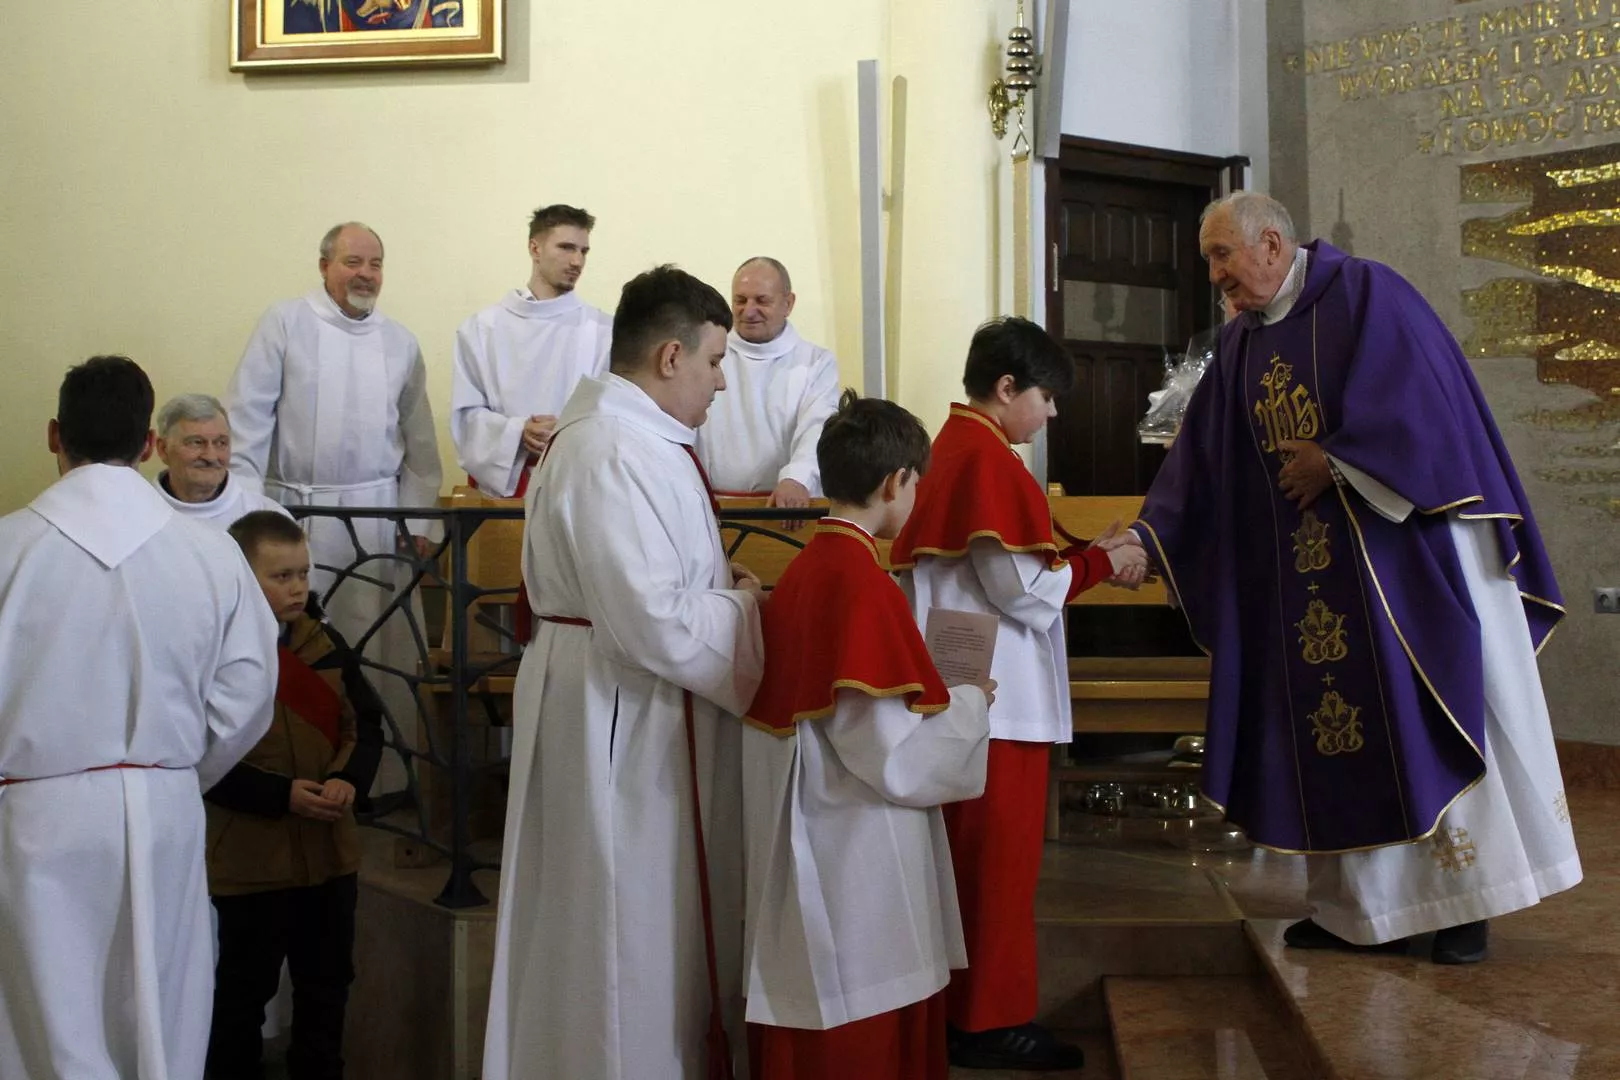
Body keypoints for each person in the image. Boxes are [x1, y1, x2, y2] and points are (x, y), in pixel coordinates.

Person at [1133, 191, 1580, 964]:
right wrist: (1146, 536)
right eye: (1210, 260)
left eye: (1221, 256)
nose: (1215, 277)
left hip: (1405, 566)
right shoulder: (1241, 343)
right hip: (1310, 583)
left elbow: (1426, 410)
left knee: (1429, 712)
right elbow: (1200, 463)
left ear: (1271, 244)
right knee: (1336, 733)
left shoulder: (1368, 294)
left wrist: (1336, 461)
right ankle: (1359, 914)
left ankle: (1468, 904)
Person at [482, 265, 766, 1080]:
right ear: (671, 356)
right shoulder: (610, 447)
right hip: (616, 709)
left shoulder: (635, 437)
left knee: (636, 920)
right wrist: (745, 611)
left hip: (628, 699)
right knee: (618, 927)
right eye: (714, 361)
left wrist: (718, 587)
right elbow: (649, 616)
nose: (721, 382)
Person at [0, 356, 278, 1079]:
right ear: (150, 445)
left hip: (33, 817)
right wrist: (175, 769)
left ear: (54, 435)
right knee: (161, 1010)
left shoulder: (9, 549)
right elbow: (248, 693)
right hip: (164, 807)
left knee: (47, 1023)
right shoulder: (211, 554)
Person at [889, 317, 1147, 1072]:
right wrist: (1103, 565)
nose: (1052, 412)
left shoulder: (961, 447)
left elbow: (1015, 565)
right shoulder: (985, 459)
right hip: (996, 706)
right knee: (995, 874)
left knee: (976, 868)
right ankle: (987, 1023)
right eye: (1046, 396)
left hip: (973, 695)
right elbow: (1022, 591)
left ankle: (964, 1013)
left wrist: (1088, 553)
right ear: (1007, 389)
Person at [742, 391, 993, 1080]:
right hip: (853, 842)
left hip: (815, 820)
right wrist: (972, 705)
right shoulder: (862, 583)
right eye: (916, 484)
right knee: (861, 1008)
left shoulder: (810, 566)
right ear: (895, 481)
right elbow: (894, 759)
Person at [225, 221, 443, 794]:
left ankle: (378, 783)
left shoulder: (400, 343)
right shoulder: (284, 324)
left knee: (375, 655)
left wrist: (417, 519)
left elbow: (421, 446)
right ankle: (290, 778)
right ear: (324, 266)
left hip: (376, 520)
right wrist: (249, 522)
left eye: (375, 263)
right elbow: (247, 424)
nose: (365, 274)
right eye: (352, 262)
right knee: (299, 648)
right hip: (296, 516)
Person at [204, 511, 384, 1080]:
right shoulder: (212, 647)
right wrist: (281, 795)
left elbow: (366, 723)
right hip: (249, 859)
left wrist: (348, 778)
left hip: (330, 854)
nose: (298, 588)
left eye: (303, 573)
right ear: (241, 575)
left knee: (326, 985)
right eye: (280, 576)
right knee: (241, 993)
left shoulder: (324, 641)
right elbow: (203, 755)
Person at [451, 204, 612, 497]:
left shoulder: (602, 331)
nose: (577, 261)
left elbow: (613, 415)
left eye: (583, 251)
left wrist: (566, 432)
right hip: (502, 495)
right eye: (566, 247)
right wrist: (518, 433)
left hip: (576, 489)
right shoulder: (481, 329)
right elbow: (466, 418)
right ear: (535, 248)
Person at [693, 257, 841, 507]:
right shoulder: (708, 355)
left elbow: (818, 426)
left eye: (762, 301)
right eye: (740, 300)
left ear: (788, 303)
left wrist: (797, 478)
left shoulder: (816, 362)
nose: (749, 311)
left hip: (784, 507)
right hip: (711, 504)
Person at [153, 393, 290, 526]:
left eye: (221, 443)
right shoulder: (144, 509)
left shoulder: (266, 517)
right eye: (196, 442)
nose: (211, 457)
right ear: (163, 449)